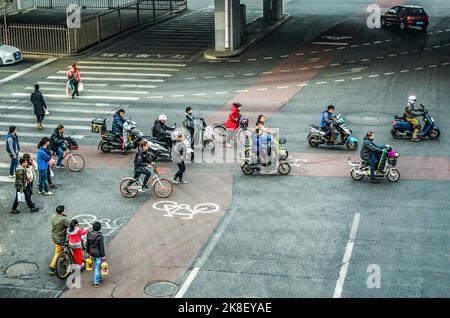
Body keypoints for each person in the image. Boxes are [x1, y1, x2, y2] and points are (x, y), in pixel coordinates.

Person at [49, 205, 70, 275]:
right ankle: (52, 268)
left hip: (54, 236)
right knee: (58, 252)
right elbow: (70, 225)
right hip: (60, 238)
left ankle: (61, 258)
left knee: (59, 249)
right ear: (62, 211)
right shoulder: (63, 219)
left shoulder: (54, 217)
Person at [86, 221, 106, 288]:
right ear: (99, 228)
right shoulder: (100, 236)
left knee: (97, 265)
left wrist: (88, 252)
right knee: (97, 267)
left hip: (91, 252)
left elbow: (87, 244)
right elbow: (101, 247)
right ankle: (96, 282)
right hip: (98, 254)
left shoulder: (89, 234)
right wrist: (103, 256)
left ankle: (99, 278)